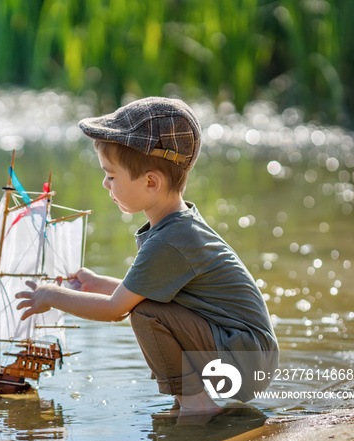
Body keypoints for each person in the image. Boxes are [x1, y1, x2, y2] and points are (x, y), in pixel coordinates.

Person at [15, 96, 279, 417]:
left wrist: (52, 296)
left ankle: (197, 404)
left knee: (146, 313)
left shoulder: (169, 241)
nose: (104, 183)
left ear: (151, 182)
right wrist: (97, 283)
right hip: (247, 355)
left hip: (247, 362)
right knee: (147, 305)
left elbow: (117, 310)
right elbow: (144, 291)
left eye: (111, 176)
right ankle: (188, 400)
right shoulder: (176, 226)